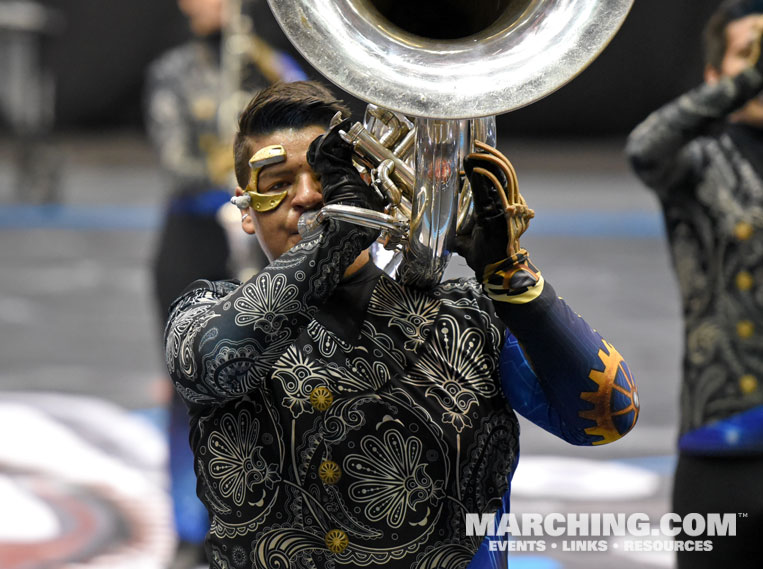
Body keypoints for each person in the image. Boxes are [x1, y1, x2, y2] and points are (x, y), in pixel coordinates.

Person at [165, 80, 639, 569]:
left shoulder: (470, 320)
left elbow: (609, 417)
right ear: (245, 208)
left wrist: (513, 280)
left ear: (371, 181)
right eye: (279, 184)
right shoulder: (203, 315)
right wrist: (337, 238)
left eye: (326, 176)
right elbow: (214, 362)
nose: (306, 196)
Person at [143, 2, 303, 566]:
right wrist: (245, 173)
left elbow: (310, 150)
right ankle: (191, 530)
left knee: (270, 386)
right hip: (192, 244)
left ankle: (264, 521)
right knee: (189, 390)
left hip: (258, 248)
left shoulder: (275, 69)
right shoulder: (170, 73)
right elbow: (176, 163)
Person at [626, 0, 763, 565]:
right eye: (746, 52)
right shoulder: (699, 161)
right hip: (723, 439)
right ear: (715, 75)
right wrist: (753, 77)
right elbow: (644, 147)